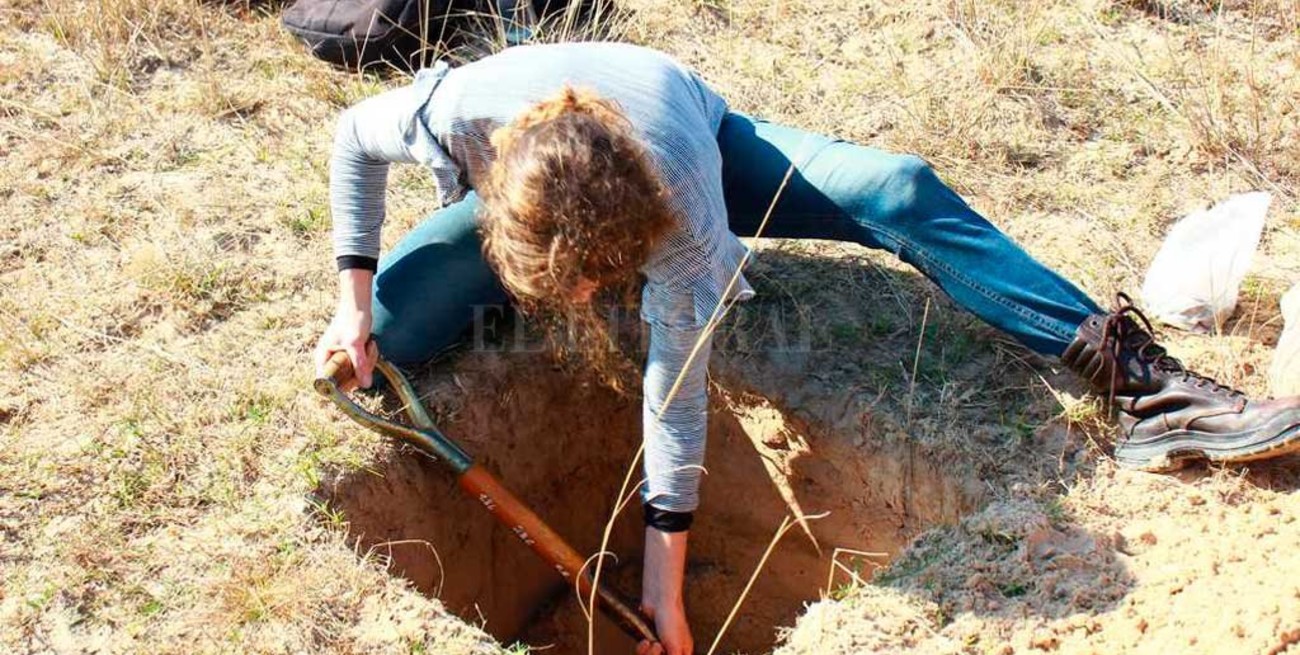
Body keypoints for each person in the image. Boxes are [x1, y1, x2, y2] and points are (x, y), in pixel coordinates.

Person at [313, 42, 1300, 655]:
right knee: (387, 346)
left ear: (641, 240)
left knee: (896, 188)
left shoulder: (684, 218)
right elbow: (350, 141)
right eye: (564, 289)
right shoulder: (451, 115)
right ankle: (437, 300)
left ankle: (1145, 388)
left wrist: (664, 588)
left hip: (692, 127)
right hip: (541, 173)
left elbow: (675, 392)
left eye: (597, 284)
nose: (583, 305)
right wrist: (352, 304)